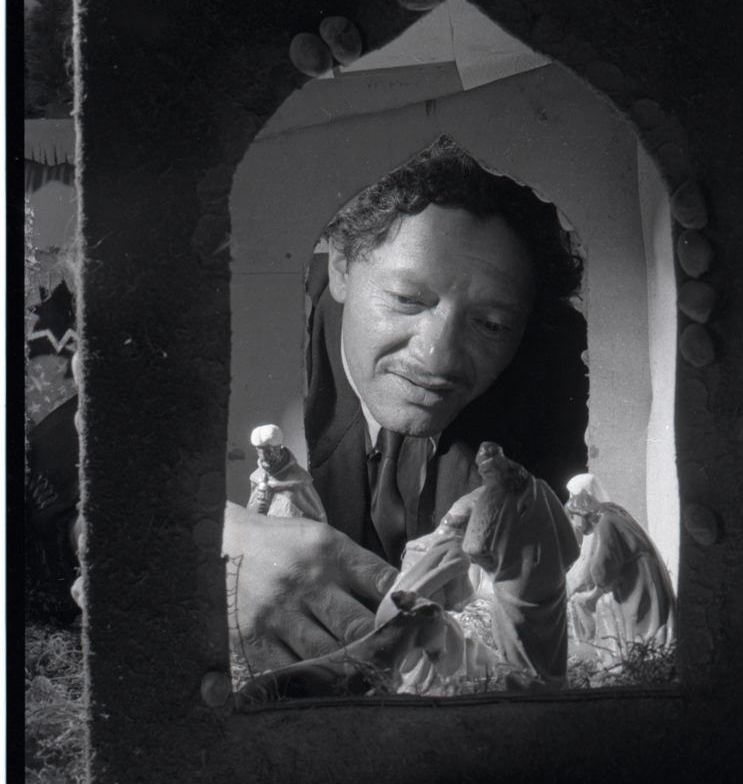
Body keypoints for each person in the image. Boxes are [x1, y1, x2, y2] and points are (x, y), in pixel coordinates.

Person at [225, 135, 589, 669]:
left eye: (491, 324)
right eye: (407, 300)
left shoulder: (569, 375)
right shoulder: (233, 344)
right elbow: (68, 498)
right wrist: (208, 548)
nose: (437, 356)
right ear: (343, 264)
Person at [563, 475, 676, 663]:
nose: (575, 525)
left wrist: (592, 595)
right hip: (647, 569)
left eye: (573, 518)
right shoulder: (612, 511)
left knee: (626, 612)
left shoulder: (604, 525)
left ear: (580, 513)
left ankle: (637, 655)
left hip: (636, 577)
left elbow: (601, 568)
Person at [246, 424, 327, 522]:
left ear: (278, 448)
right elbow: (250, 518)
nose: (263, 458)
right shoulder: (256, 477)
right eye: (259, 452)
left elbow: (319, 517)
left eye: (268, 452)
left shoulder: (299, 478)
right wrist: (260, 501)